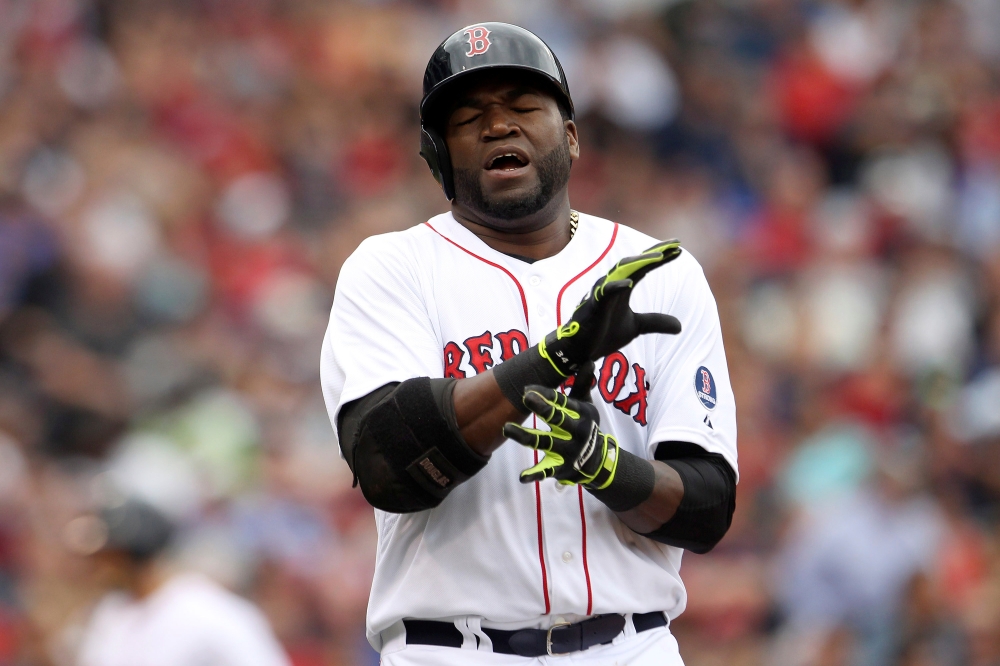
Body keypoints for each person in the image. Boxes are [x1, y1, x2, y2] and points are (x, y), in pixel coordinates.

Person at [321, 22, 737, 665]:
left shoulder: (658, 272)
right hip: (455, 650)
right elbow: (386, 464)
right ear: (437, 157)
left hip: (631, 646)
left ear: (570, 136)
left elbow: (705, 506)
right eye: (468, 118)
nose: (497, 126)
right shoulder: (392, 268)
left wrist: (604, 465)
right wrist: (555, 357)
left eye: (522, 106)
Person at [66, 497, 291, 666]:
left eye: (106, 557)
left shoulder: (208, 609)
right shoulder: (109, 612)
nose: (94, 566)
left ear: (132, 554)